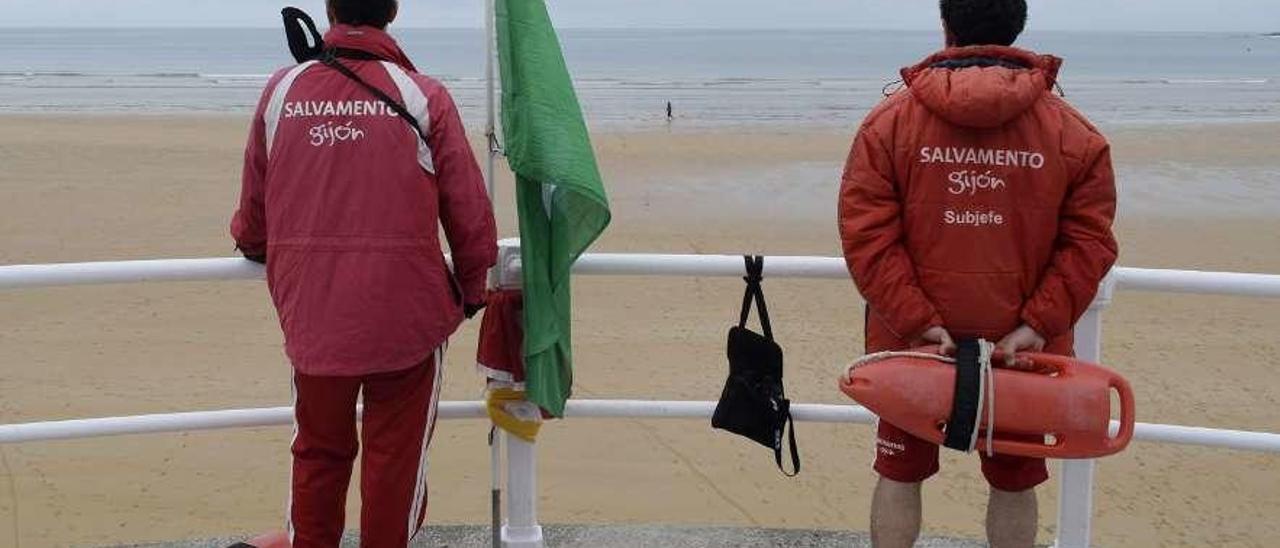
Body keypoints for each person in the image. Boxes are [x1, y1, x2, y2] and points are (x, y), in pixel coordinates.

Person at [837, 1, 1118, 546]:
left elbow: (865, 234)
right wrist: (1038, 323)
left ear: (947, 28)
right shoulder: (1072, 132)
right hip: (1023, 350)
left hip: (912, 346)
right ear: (1017, 29)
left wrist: (917, 321)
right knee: (1014, 481)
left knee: (899, 472)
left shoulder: (888, 123)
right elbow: (1090, 242)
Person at [229, 0, 497, 545]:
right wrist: (471, 292)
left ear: (329, 8)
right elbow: (471, 216)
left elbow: (253, 218)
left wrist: (259, 249)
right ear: (392, 11)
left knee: (318, 455)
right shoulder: (425, 96)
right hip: (406, 325)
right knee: (393, 467)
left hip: (314, 320)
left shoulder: (282, 92)